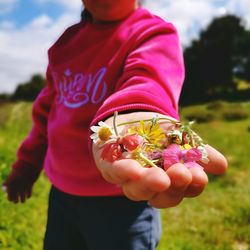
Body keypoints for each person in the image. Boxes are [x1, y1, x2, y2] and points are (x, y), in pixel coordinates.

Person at [3, 0, 228, 249]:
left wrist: (140, 109)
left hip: (122, 200)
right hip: (63, 193)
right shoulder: (65, 45)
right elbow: (44, 116)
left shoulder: (153, 32)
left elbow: (148, 78)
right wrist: (26, 166)